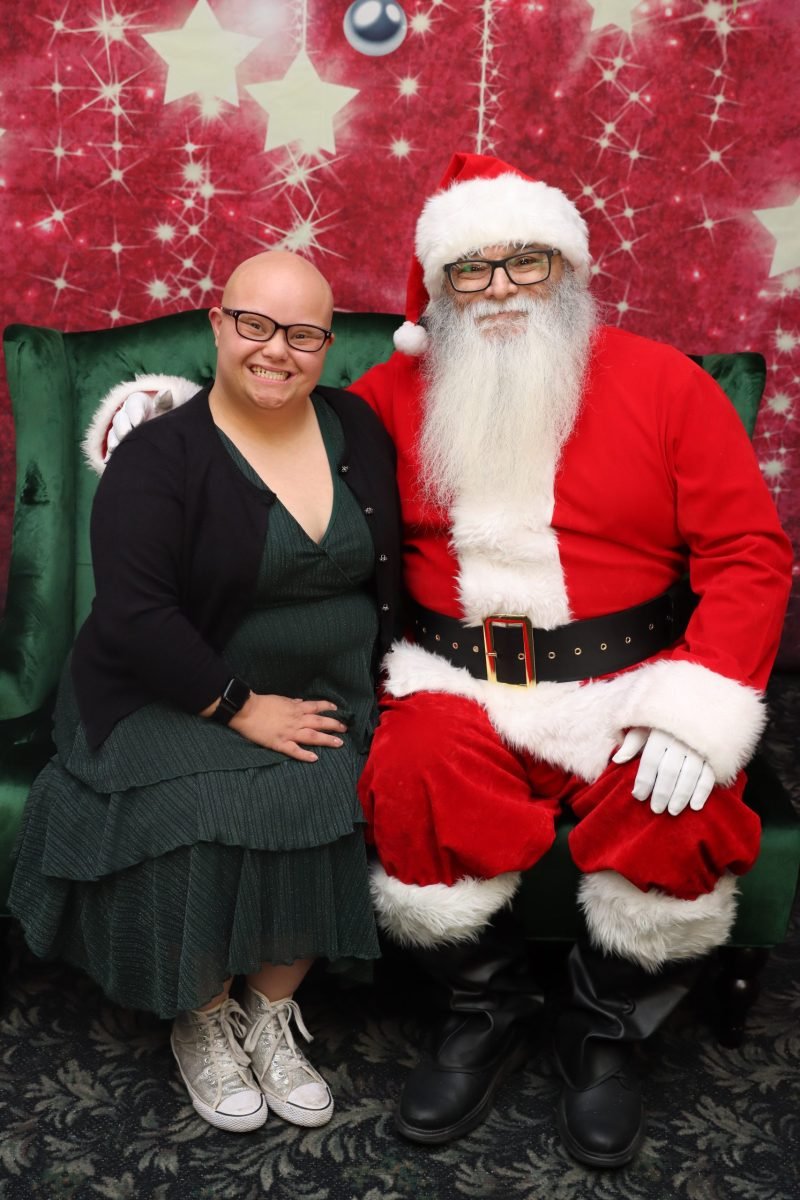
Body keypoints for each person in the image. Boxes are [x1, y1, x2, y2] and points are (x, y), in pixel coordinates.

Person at [86, 154, 793, 1168]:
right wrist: (170, 421)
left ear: (569, 270)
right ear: (438, 290)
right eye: (471, 268)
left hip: (628, 681)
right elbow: (276, 418)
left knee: (680, 812)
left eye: (526, 261)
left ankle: (600, 1034)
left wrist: (698, 703)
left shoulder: (665, 384)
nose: (499, 287)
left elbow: (748, 553)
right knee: (411, 776)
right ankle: (482, 1012)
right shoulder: (388, 396)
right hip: (454, 680)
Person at [9, 249, 402, 1134]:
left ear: (327, 345)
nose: (276, 350)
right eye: (255, 324)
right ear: (218, 324)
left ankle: (269, 1015)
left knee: (327, 785)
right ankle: (203, 1017)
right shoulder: (161, 455)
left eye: (302, 334)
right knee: (201, 808)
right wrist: (241, 708)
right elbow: (136, 617)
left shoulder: (356, 428)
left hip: (328, 687)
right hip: (169, 689)